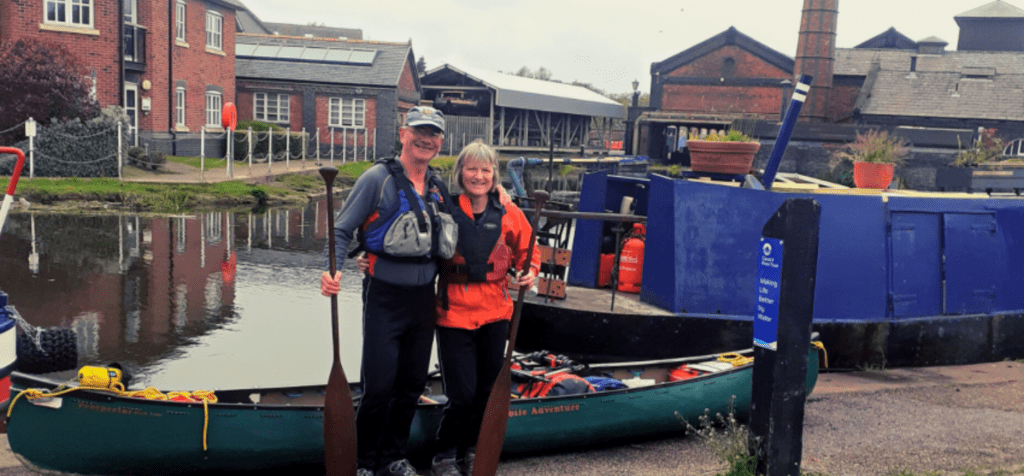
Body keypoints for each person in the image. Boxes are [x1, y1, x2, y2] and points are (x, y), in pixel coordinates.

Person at [320, 106, 456, 476]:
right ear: (402, 133)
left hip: (423, 299)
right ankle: (364, 463)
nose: (426, 139)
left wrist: (502, 199)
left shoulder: (439, 188)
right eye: (419, 131)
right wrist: (333, 271)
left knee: (412, 384)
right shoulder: (376, 179)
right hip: (383, 296)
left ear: (441, 141)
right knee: (379, 387)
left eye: (434, 133)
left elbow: (462, 229)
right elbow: (341, 230)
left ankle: (394, 458)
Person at [428, 141, 540, 476]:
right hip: (454, 314)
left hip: (495, 313)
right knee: (461, 395)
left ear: (493, 176)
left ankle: (476, 450)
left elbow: (529, 251)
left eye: (486, 170)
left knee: (488, 392)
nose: (478, 176)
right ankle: (445, 455)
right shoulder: (444, 207)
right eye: (472, 169)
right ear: (460, 171)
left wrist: (529, 274)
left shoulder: (508, 211)